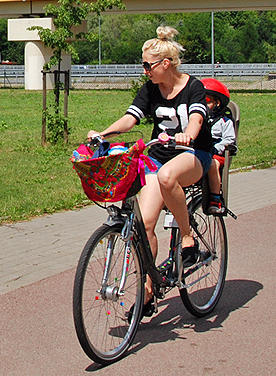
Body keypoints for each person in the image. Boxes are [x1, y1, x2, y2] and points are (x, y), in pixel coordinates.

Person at [87, 26, 212, 317]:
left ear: (165, 64)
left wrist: (188, 135)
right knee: (143, 225)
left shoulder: (194, 87)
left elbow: (196, 119)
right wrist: (104, 133)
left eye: (147, 65)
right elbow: (131, 119)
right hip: (158, 157)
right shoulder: (150, 90)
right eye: (143, 65)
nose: (144, 71)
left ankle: (187, 238)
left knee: (169, 177)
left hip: (193, 154)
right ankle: (147, 290)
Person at [201, 78, 236, 215]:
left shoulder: (224, 122)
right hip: (199, 151)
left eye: (207, 101)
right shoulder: (195, 119)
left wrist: (219, 148)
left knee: (211, 164)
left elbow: (229, 139)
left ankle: (215, 197)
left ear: (217, 103)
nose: (204, 105)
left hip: (215, 153)